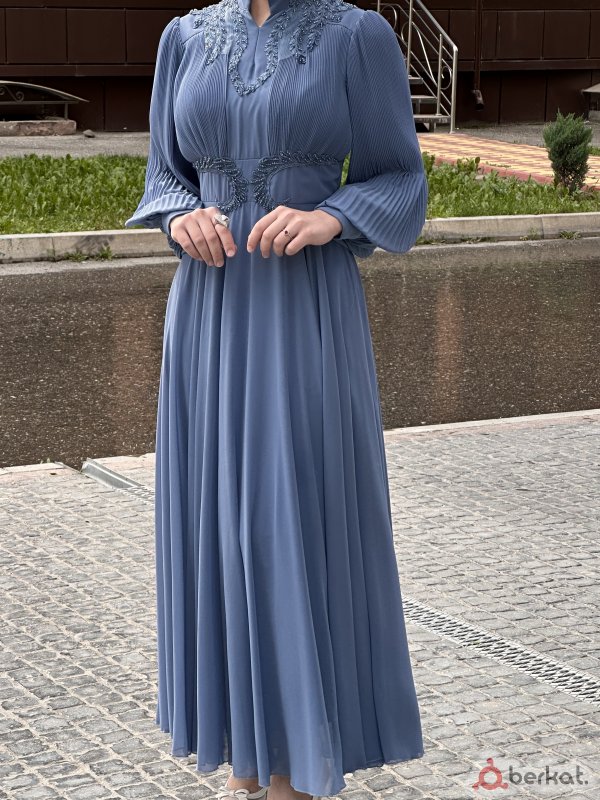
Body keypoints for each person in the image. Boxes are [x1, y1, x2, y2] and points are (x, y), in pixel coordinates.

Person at [124, 1, 428, 799]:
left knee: (288, 520)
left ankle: (294, 765)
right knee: (221, 530)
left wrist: (333, 217)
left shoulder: (357, 35)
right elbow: (163, 176)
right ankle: (245, 761)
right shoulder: (184, 37)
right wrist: (180, 218)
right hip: (209, 313)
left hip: (304, 315)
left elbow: (402, 178)